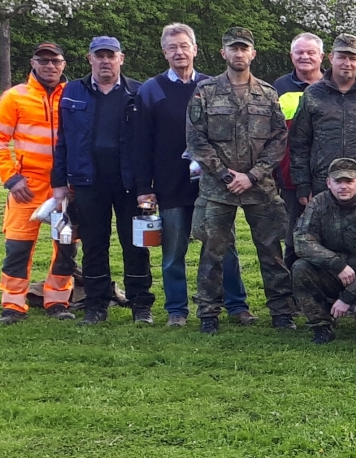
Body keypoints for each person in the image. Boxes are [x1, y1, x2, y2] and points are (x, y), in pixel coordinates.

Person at [134, 24, 249, 327]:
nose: (179, 52)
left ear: (196, 49)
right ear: (164, 52)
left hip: (212, 186)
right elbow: (140, 143)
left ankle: (236, 305)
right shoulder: (151, 90)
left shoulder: (213, 86)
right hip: (170, 185)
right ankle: (177, 310)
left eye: (184, 46)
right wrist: (144, 187)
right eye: (172, 47)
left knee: (225, 248)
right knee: (173, 253)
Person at [186, 28, 295, 333]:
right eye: (232, 49)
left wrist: (252, 175)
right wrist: (223, 173)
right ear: (223, 53)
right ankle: (209, 312)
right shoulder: (205, 92)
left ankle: (282, 311)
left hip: (259, 188)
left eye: (243, 49)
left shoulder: (267, 93)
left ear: (252, 54)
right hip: (217, 188)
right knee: (213, 252)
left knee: (272, 250)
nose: (238, 54)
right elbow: (196, 140)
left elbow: (278, 139)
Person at [54, 36, 154, 325]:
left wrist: (148, 186)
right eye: (100, 56)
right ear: (90, 59)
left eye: (111, 55)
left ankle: (140, 304)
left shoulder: (139, 91)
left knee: (135, 245)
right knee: (94, 244)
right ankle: (96, 304)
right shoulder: (73, 91)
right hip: (88, 181)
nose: (106, 61)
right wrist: (60, 182)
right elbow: (62, 140)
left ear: (121, 58)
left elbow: (149, 142)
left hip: (129, 182)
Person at [0, 42, 73, 323]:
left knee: (66, 246)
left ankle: (58, 301)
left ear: (63, 64)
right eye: (43, 60)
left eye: (55, 61)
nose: (50, 66)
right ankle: (12, 305)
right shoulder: (14, 97)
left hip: (66, 186)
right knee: (18, 247)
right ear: (33, 63)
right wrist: (11, 178)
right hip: (27, 186)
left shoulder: (73, 96)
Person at [290, 158, 356, 344]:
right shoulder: (317, 205)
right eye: (338, 181)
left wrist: (349, 296)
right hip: (333, 272)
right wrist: (336, 264)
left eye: (349, 181)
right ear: (329, 183)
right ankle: (321, 326)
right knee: (300, 268)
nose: (343, 187)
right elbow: (302, 241)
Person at [289, 33, 356, 207]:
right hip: (323, 184)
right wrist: (302, 184)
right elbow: (299, 142)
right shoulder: (313, 95)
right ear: (331, 58)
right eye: (342, 57)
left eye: (352, 58)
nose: (347, 63)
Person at [273, 33, 324, 228]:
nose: (305, 57)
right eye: (299, 52)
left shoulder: (334, 86)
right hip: (291, 176)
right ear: (291, 55)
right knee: (294, 234)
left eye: (311, 52)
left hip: (327, 175)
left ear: (321, 56)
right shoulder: (279, 87)